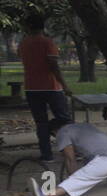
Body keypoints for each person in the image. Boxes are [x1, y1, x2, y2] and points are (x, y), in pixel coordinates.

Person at [19, 12, 72, 165]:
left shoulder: (24, 43)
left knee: (40, 122)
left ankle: (46, 154)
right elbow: (53, 66)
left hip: (31, 88)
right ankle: (74, 150)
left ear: (28, 27)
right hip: (51, 87)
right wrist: (64, 85)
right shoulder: (48, 43)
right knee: (64, 119)